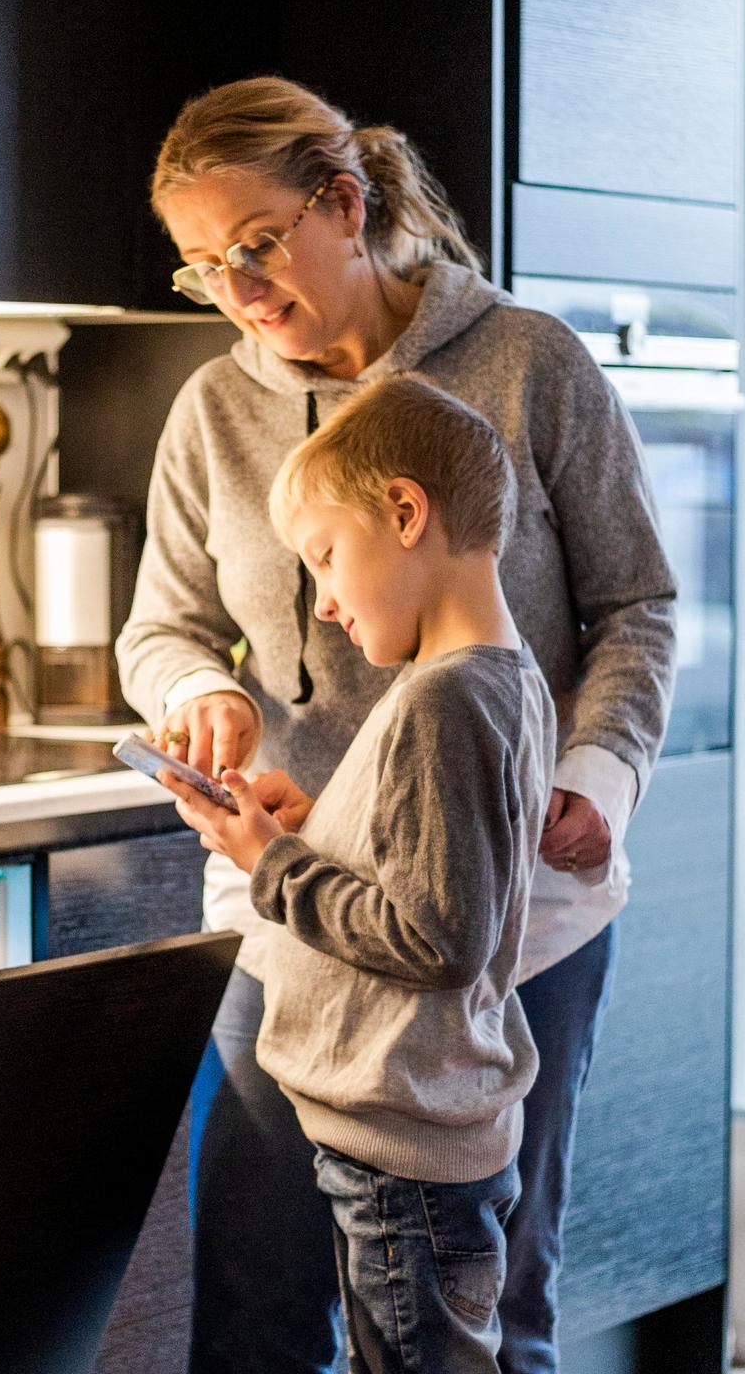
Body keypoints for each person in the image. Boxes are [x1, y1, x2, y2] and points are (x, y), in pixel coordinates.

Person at [115, 76, 677, 1374]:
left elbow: (637, 604)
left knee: (477, 1309)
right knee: (255, 1310)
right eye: (206, 271)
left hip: (513, 913)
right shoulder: (215, 412)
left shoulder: (529, 362)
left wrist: (597, 775)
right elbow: (162, 628)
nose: (242, 297)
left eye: (255, 248)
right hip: (293, 912)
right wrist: (199, 689)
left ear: (345, 203)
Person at [161, 372, 556, 1372]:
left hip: (403, 1153)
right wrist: (306, 832)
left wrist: (273, 864)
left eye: (327, 559)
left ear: (405, 511)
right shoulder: (502, 680)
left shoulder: (443, 701)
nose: (325, 602)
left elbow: (432, 937)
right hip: (424, 1138)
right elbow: (437, 872)